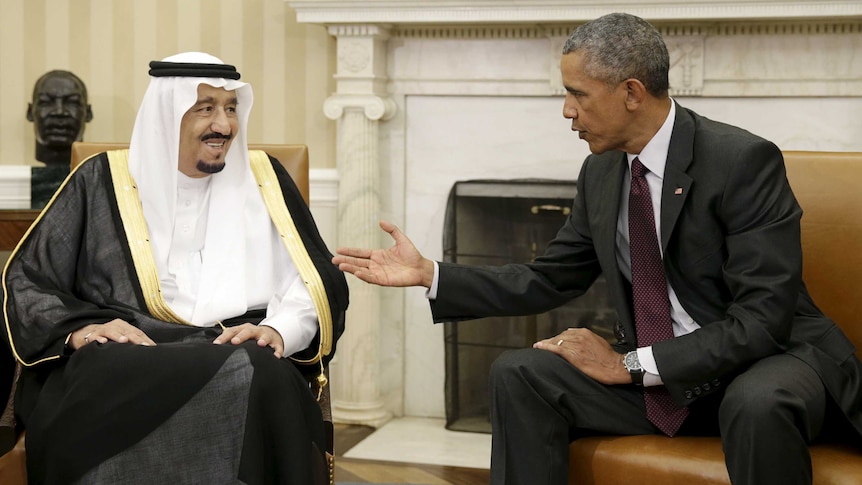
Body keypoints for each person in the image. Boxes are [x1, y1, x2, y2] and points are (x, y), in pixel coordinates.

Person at [332, 13, 862, 485]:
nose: (567, 111)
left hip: (766, 361)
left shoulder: (742, 161)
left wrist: (628, 364)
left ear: (631, 92)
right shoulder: (602, 171)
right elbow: (551, 276)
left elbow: (762, 322)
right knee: (521, 374)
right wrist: (432, 275)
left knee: (757, 402)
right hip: (668, 376)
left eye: (577, 94)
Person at [1, 52, 348, 484]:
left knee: (258, 370)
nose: (224, 125)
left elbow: (314, 278)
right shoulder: (101, 179)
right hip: (126, 353)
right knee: (102, 370)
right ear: (167, 116)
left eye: (231, 108)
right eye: (205, 109)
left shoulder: (265, 180)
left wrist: (279, 330)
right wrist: (81, 332)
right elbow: (29, 279)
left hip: (235, 344)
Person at [26, 70, 94, 208]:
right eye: (46, 102)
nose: (59, 112)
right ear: (30, 113)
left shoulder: (97, 183)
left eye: (72, 102)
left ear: (88, 113)